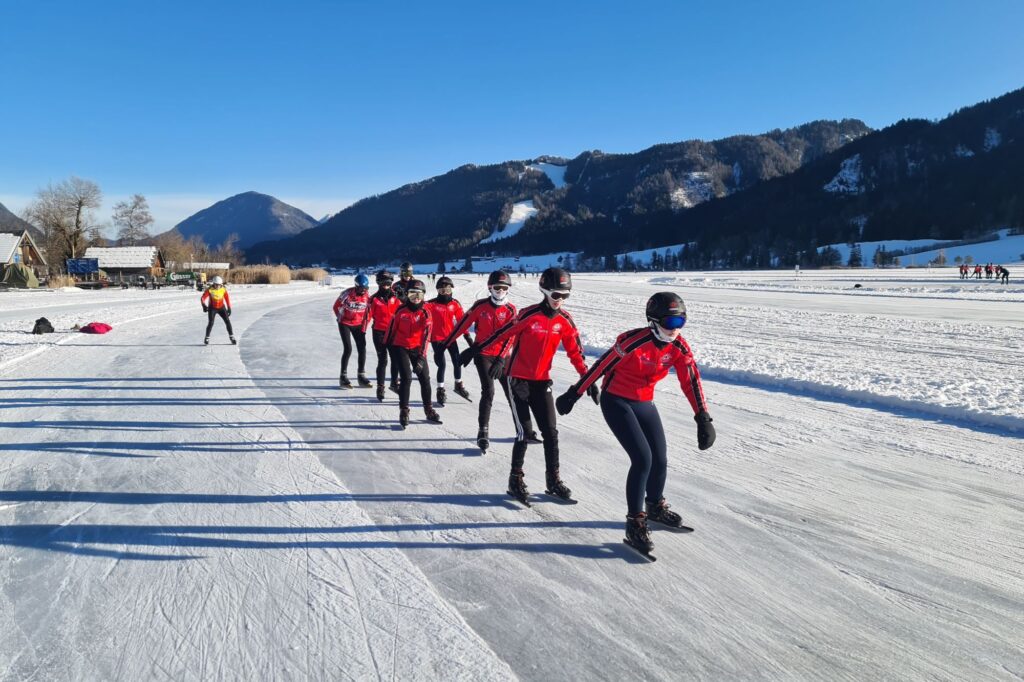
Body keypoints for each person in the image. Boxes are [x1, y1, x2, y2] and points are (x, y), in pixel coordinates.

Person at [556, 292, 715, 555]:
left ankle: (654, 506)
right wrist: (575, 393)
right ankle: (635, 522)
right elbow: (602, 366)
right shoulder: (633, 341)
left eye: (681, 323)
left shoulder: (679, 347)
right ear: (653, 321)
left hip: (644, 402)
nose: (675, 330)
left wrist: (703, 417)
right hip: (617, 400)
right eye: (670, 323)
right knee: (643, 459)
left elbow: (691, 381)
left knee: (660, 459)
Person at [463, 267, 590, 504]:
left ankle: (553, 480)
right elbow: (502, 335)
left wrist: (586, 379)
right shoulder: (528, 314)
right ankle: (515, 479)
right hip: (517, 380)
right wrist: (475, 349)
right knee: (523, 432)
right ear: (544, 291)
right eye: (555, 295)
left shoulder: (565, 321)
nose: (559, 300)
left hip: (542, 382)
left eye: (565, 296)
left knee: (551, 433)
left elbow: (576, 353)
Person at [445, 270, 539, 453]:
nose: (500, 291)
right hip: (483, 355)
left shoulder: (511, 310)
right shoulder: (480, 306)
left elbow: (511, 337)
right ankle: (483, 432)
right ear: (490, 287)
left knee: (514, 393)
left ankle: (525, 430)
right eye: (497, 287)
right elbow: (462, 324)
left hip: (503, 357)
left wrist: (501, 360)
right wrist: (445, 344)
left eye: (504, 287)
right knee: (488, 391)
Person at [384, 278, 442, 428]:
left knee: (425, 378)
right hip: (400, 345)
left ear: (424, 296)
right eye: (412, 294)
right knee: (406, 378)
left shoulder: (426, 313)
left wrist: (421, 358)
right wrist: (386, 345)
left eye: (419, 295)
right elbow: (391, 330)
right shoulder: (400, 311)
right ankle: (404, 410)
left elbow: (427, 337)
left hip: (418, 347)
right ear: (406, 294)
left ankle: (428, 409)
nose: (416, 298)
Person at [426, 275, 472, 406]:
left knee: (457, 362)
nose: (444, 293)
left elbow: (462, 321)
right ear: (437, 291)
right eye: (441, 291)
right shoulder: (432, 304)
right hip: (437, 339)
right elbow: (419, 306)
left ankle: (458, 384)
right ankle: (440, 389)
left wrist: (467, 336)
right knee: (442, 364)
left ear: (451, 289)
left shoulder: (455, 304)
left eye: (447, 290)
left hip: (451, 338)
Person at [363, 270, 401, 401]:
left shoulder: (396, 298)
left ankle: (394, 383)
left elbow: (405, 312)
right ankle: (380, 387)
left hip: (394, 333)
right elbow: (367, 317)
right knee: (383, 360)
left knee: (395, 359)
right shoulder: (373, 299)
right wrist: (362, 331)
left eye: (388, 282)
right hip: (379, 332)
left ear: (391, 283)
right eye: (383, 282)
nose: (385, 285)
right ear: (378, 283)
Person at [333, 274, 371, 388]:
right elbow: (336, 306)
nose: (363, 291)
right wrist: (340, 317)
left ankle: (361, 375)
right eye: (360, 289)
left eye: (365, 289)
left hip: (358, 324)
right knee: (348, 348)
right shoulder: (347, 293)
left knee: (362, 348)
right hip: (345, 323)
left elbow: (369, 312)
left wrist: (365, 324)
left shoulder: (367, 296)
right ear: (356, 286)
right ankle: (343, 377)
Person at [201, 275, 235, 345]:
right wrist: (204, 305)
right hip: (212, 308)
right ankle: (207, 338)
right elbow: (202, 298)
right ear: (213, 284)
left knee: (227, 321)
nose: (217, 286)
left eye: (219, 285)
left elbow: (227, 298)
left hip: (221, 308)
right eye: (216, 285)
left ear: (221, 284)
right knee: (211, 323)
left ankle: (232, 337)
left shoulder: (223, 289)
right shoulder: (210, 289)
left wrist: (229, 307)